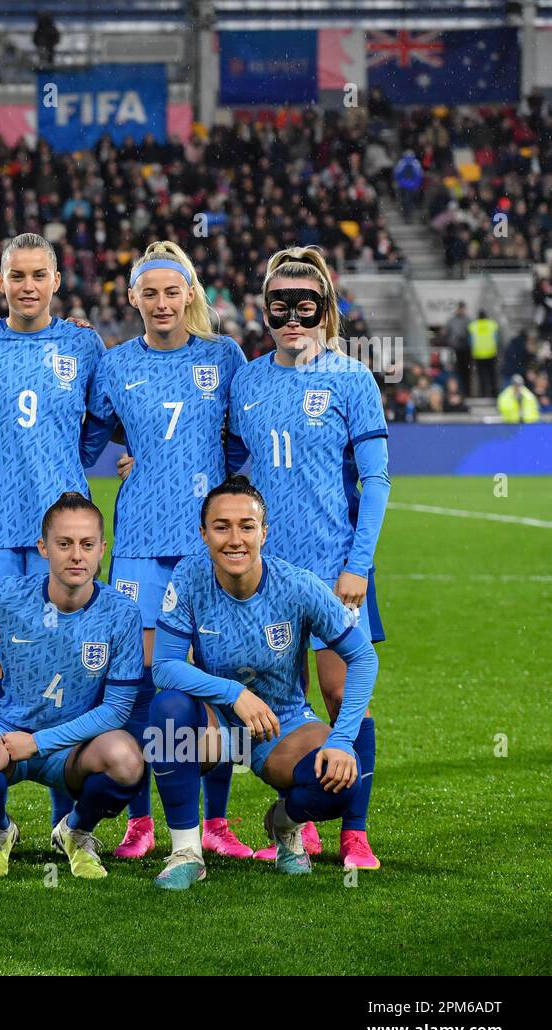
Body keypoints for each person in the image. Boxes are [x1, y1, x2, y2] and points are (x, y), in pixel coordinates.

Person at [79, 240, 253, 862]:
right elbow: (86, 441)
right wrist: (139, 463)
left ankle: (218, 822)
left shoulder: (224, 357)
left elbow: (238, 444)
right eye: (147, 292)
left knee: (212, 684)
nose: (159, 303)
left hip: (208, 550)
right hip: (138, 548)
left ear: (189, 296)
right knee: (142, 684)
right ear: (132, 298)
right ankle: (140, 821)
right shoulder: (115, 364)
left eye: (170, 291)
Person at [228, 246, 391, 870]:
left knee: (343, 691)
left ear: (327, 309)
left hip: (332, 567)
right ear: (264, 310)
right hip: (262, 573)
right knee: (281, 696)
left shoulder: (352, 378)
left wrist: (358, 564)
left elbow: (376, 482)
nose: (292, 318)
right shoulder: (246, 378)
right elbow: (227, 465)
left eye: (306, 306)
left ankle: (355, 833)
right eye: (280, 306)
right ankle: (296, 819)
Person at [0, 232, 107, 852]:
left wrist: (78, 463)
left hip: (62, 531)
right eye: (17, 276)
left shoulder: (83, 345)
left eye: (38, 275)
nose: (28, 286)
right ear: (1, 282)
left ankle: (69, 821)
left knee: (72, 670)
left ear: (57, 281)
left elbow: (102, 422)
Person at [148, 478, 379, 890]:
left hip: (282, 726)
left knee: (342, 780)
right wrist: (234, 694)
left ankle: (285, 824)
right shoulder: (189, 576)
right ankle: (186, 852)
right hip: (217, 726)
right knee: (167, 710)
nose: (235, 539)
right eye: (221, 527)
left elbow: (363, 657)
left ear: (264, 532)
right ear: (204, 533)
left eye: (247, 526)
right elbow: (163, 666)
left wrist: (342, 740)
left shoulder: (298, 586)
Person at [0, 493, 146, 879]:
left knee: (127, 759)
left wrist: (38, 743)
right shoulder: (8, 595)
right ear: (43, 548)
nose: (76, 555)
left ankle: (75, 831)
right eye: (64, 544)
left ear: (102, 548)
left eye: (86, 545)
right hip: (4, 734)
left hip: (73, 748)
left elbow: (117, 710)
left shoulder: (122, 613)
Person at [468, 308, 500, 399]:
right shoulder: (492, 324)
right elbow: (496, 338)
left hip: (478, 354)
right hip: (491, 353)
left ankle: (483, 393)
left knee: (481, 376)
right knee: (492, 375)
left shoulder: (473, 325)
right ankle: (494, 393)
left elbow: (470, 341)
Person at [443, 302, 472, 397]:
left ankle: (467, 392)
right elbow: (446, 333)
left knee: (467, 373)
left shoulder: (468, 320)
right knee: (456, 373)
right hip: (455, 350)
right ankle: (459, 392)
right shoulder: (451, 320)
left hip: (466, 350)